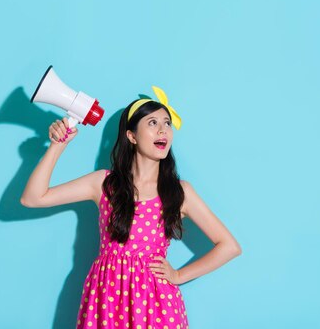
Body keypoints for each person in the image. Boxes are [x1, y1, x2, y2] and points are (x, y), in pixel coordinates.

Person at [21, 86, 242, 329]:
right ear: (131, 136)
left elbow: (229, 247)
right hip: (106, 299)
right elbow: (33, 198)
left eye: (167, 123)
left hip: (155, 303)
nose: (163, 129)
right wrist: (57, 145)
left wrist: (179, 275)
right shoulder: (103, 184)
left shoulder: (180, 192)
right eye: (153, 122)